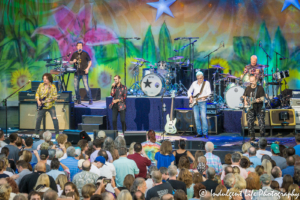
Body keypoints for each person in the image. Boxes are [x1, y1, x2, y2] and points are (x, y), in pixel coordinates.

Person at [188, 71, 211, 139]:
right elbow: (189, 91)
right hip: (195, 103)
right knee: (196, 118)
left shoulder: (206, 83)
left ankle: (205, 133)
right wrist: (190, 97)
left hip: (203, 102)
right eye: (198, 78)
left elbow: (209, 93)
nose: (199, 80)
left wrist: (205, 97)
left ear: (203, 77)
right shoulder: (194, 83)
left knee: (203, 117)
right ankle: (199, 133)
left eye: (200, 78)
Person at [242, 75, 266, 140]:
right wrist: (245, 101)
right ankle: (252, 136)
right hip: (251, 108)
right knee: (250, 122)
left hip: (259, 108)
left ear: (256, 80)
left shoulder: (260, 88)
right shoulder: (247, 88)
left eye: (253, 81)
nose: (251, 82)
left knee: (261, 123)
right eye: (250, 81)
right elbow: (244, 96)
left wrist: (259, 100)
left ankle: (262, 136)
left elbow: (263, 98)